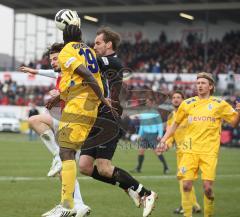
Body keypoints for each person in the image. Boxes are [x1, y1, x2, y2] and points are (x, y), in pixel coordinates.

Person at [79, 27, 157, 217]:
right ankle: (128, 186)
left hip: (110, 119)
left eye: (98, 43)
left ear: (108, 44)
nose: (94, 46)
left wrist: (75, 48)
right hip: (97, 118)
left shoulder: (113, 61)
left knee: (105, 167)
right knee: (84, 166)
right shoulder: (102, 62)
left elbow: (90, 61)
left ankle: (145, 193)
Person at [44, 25, 110, 217]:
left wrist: (103, 97)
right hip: (86, 105)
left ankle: (67, 206)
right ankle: (69, 204)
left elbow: (87, 76)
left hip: (78, 106)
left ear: (65, 37)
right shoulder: (88, 50)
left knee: (66, 152)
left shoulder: (67, 51)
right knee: (67, 151)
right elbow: (84, 79)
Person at [19, 43, 91, 217]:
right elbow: (53, 73)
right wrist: (35, 72)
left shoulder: (72, 72)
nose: (52, 62)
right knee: (64, 172)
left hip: (76, 122)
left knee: (34, 120)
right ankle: (79, 204)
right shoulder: (62, 72)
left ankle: (57, 156)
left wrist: (59, 94)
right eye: (50, 59)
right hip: (68, 121)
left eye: (55, 58)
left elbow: (79, 89)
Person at [158, 72, 240, 217]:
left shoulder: (219, 104)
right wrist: (164, 139)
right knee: (186, 185)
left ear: (211, 86)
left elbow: (234, 123)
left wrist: (238, 112)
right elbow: (174, 125)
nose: (200, 85)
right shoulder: (187, 104)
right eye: (198, 83)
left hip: (209, 152)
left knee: (207, 189)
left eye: (203, 83)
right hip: (189, 151)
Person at [166, 90, 201, 214]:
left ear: (183, 100)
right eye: (174, 97)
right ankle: (195, 205)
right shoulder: (171, 116)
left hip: (191, 151)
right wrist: (167, 144)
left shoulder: (189, 113)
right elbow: (170, 134)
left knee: (183, 179)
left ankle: (184, 205)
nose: (176, 99)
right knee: (187, 179)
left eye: (178, 97)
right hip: (180, 153)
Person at [131, 97, 169, 174]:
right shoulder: (144, 112)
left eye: (149, 102)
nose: (147, 103)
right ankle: (138, 168)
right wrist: (139, 135)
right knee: (141, 151)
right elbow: (142, 125)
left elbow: (159, 124)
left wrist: (160, 134)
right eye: (146, 102)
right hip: (144, 135)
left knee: (157, 152)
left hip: (153, 135)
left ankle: (166, 167)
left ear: (152, 103)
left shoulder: (155, 113)